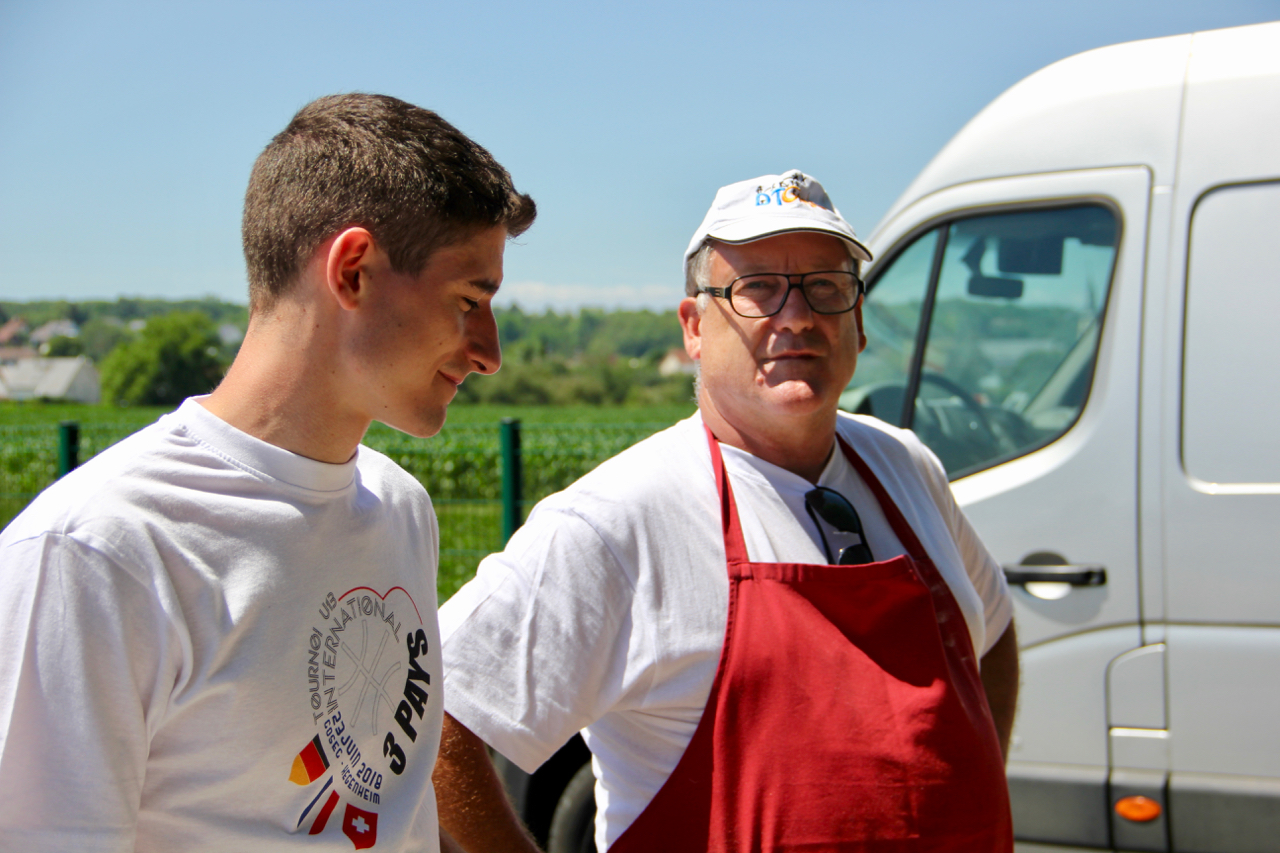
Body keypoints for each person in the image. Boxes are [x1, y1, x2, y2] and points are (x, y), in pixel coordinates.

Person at [0, 93, 535, 851]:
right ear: (352, 270)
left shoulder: (399, 507)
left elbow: (392, 813)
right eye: (469, 300)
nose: (489, 352)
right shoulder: (96, 553)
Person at [433, 170, 1018, 852]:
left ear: (858, 322)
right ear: (694, 328)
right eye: (757, 288)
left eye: (827, 287)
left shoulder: (907, 466)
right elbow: (440, 716)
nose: (796, 316)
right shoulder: (620, 518)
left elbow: (995, 630)